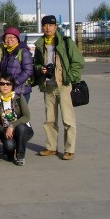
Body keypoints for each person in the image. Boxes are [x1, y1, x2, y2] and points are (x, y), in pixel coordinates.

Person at [34, 15, 85, 161]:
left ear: (56, 27)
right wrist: (40, 69)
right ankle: (51, 147)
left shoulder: (65, 42)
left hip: (63, 86)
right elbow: (36, 64)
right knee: (50, 119)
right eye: (45, 25)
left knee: (68, 119)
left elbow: (78, 62)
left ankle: (69, 149)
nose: (48, 28)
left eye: (51, 25)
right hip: (48, 86)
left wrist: (70, 78)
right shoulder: (40, 44)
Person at [0, 74, 34, 166]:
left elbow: (26, 116)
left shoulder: (19, 97)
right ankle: (10, 151)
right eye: (2, 84)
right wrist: (4, 130)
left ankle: (20, 156)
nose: (5, 86)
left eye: (8, 84)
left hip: (23, 129)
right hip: (6, 131)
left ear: (12, 86)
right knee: (9, 146)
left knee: (21, 128)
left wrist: (12, 126)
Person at [0, 27, 34, 102]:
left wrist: (14, 83)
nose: (9, 39)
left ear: (17, 39)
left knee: (20, 110)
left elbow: (28, 70)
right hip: (7, 90)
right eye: (7, 37)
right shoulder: (5, 52)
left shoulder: (23, 51)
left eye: (12, 37)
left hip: (21, 92)